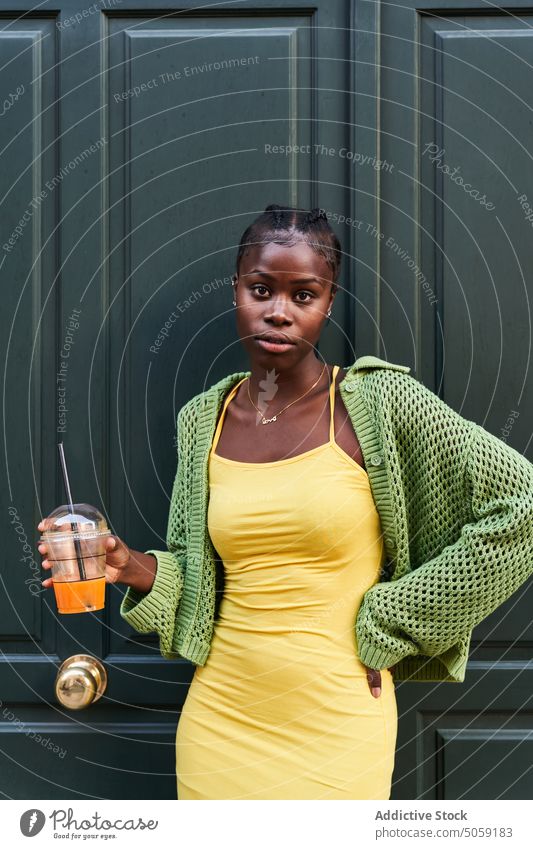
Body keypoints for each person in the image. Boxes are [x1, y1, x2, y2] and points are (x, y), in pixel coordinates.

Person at [38, 204, 533, 800]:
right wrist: (126, 565)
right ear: (237, 292)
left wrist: (394, 621)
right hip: (221, 717)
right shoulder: (203, 420)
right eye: (260, 288)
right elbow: (199, 581)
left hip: (338, 717)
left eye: (304, 295)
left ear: (328, 303)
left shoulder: (378, 403)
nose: (278, 310)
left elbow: (522, 503)